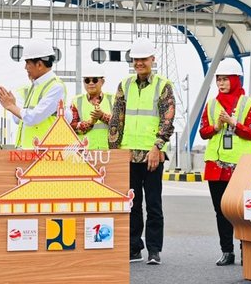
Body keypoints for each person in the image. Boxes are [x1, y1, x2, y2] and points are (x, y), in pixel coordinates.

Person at [108, 37, 175, 266]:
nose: (139, 63)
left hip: (152, 155)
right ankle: (134, 247)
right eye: (136, 59)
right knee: (132, 204)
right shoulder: (124, 84)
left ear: (152, 60)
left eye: (143, 59)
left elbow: (168, 119)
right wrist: (116, 151)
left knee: (154, 204)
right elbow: (117, 119)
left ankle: (154, 250)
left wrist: (157, 147)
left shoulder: (163, 85)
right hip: (128, 154)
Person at [199, 58, 251, 266]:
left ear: (236, 80)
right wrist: (216, 126)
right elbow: (203, 131)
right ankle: (227, 251)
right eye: (219, 80)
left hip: (241, 168)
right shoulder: (211, 104)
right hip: (215, 166)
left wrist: (233, 122)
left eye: (225, 79)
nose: (221, 84)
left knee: (243, 211)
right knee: (221, 211)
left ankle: (246, 250)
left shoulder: (250, 103)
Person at [0, 38, 66, 148]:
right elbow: (20, 120)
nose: (25, 67)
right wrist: (14, 106)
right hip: (29, 150)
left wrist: (11, 106)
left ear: (39, 64)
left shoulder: (56, 87)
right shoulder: (36, 86)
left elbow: (33, 118)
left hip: (45, 153)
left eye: (27, 63)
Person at [70, 67, 114, 149]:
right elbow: (72, 127)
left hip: (109, 152)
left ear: (102, 82)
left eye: (94, 80)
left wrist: (102, 116)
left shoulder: (113, 99)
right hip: (85, 153)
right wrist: (90, 123)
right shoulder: (76, 101)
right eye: (87, 80)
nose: (91, 83)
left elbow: (120, 123)